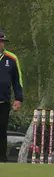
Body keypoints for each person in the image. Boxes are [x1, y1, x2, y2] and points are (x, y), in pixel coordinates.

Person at [0, 29, 23, 163]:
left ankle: (2, 159)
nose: (0, 44)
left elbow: (17, 80)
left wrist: (19, 98)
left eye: (2, 42)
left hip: (3, 102)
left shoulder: (11, 58)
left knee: (2, 131)